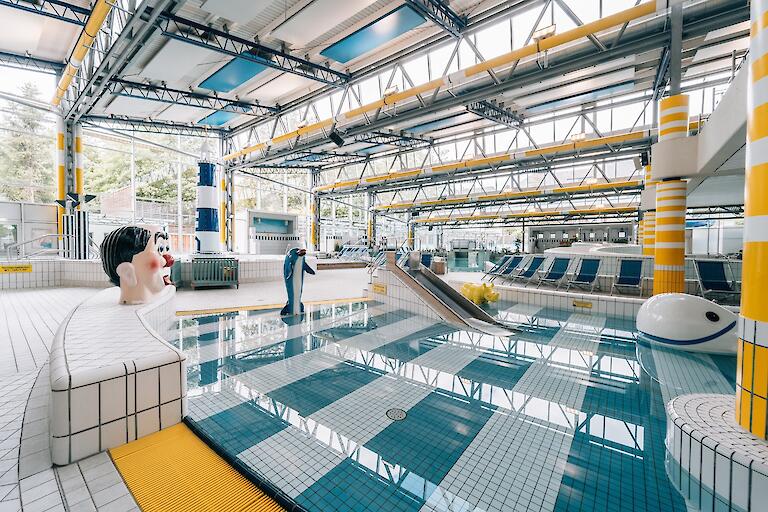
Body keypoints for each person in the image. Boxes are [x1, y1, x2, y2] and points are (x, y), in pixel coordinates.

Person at [281, 246, 315, 316]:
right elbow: (288, 271)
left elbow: (305, 266)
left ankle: (296, 306)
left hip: (298, 280)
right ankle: (290, 307)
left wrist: (310, 270)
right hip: (292, 280)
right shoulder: (291, 257)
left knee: (298, 291)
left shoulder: (301, 260)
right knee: (293, 292)